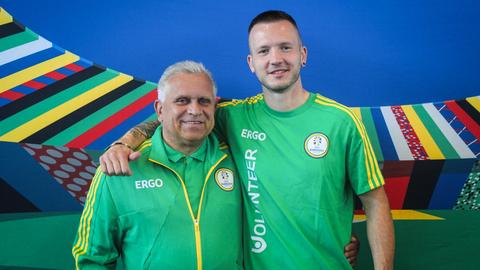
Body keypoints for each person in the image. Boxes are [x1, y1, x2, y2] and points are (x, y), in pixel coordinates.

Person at [100, 10, 394, 269]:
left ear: (302, 55)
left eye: (285, 48)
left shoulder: (342, 122)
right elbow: (176, 118)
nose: (276, 59)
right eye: (264, 51)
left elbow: (376, 202)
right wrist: (125, 142)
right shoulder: (232, 117)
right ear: (251, 62)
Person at [72, 61, 242, 269]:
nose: (195, 110)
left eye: (204, 101)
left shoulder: (239, 161)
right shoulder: (118, 169)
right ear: (160, 110)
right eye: (182, 101)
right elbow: (92, 259)